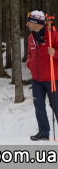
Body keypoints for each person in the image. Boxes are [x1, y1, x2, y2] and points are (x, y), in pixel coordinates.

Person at [25, 9, 58, 141]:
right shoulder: (30, 38)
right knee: (39, 106)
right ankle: (44, 132)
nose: (27, 25)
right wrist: (30, 64)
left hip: (52, 78)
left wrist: (55, 53)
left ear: (36, 22)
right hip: (36, 79)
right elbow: (29, 55)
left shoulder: (54, 36)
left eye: (29, 22)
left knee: (55, 105)